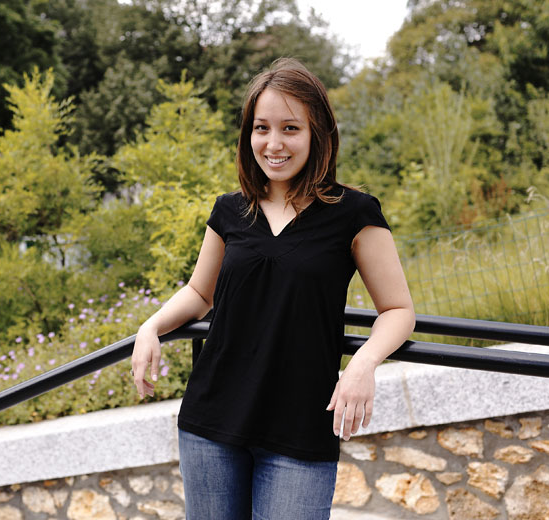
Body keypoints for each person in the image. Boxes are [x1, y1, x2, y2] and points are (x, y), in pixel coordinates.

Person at [131, 57, 415, 519]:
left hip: (300, 429)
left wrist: (362, 364)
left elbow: (398, 309)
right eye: (261, 128)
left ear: (318, 133)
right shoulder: (230, 210)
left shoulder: (355, 213)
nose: (274, 143)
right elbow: (200, 294)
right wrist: (151, 327)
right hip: (211, 423)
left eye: (290, 128)